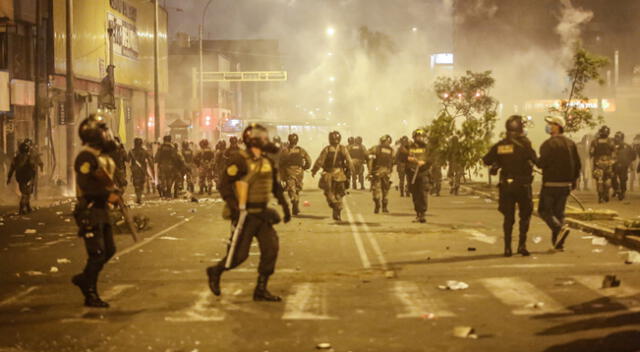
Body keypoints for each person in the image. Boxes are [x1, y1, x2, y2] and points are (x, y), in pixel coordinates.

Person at [206, 123, 291, 302]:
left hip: (262, 213)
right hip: (245, 215)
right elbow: (224, 184)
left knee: (271, 249)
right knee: (238, 256)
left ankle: (261, 289)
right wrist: (234, 206)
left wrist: (285, 206)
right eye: (261, 137)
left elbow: (275, 185)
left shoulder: (266, 161)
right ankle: (216, 271)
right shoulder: (239, 159)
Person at [71, 114, 121, 308]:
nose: (106, 134)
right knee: (97, 253)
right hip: (90, 210)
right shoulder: (86, 157)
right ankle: (89, 293)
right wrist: (106, 196)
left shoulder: (101, 156)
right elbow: (86, 185)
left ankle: (85, 278)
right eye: (102, 131)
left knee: (110, 250)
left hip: (102, 210)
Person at [482, 115, 537, 257]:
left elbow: (486, 159)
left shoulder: (501, 145)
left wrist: (498, 163)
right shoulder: (525, 144)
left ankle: (507, 248)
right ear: (520, 129)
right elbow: (535, 160)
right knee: (525, 216)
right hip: (523, 185)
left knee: (508, 218)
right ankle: (522, 245)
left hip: (507, 185)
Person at [537, 116, 581, 251]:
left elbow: (541, 163)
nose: (549, 126)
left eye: (551, 124)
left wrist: (533, 160)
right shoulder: (571, 143)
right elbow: (577, 164)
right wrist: (573, 181)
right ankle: (558, 244)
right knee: (559, 213)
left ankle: (560, 228)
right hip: (566, 185)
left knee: (544, 211)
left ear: (558, 126)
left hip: (550, 184)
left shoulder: (548, 144)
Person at [311, 131, 354, 221]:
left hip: (328, 175)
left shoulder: (327, 149)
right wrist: (352, 172)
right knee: (339, 194)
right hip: (340, 175)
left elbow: (320, 161)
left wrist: (314, 170)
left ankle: (335, 205)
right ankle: (337, 210)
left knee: (329, 193)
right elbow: (349, 162)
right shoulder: (343, 149)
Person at [280, 133, 312, 216]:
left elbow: (281, 163)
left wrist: (282, 175)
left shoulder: (285, 151)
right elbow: (309, 161)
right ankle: (295, 206)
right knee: (297, 189)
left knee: (292, 189)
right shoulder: (301, 150)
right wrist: (305, 167)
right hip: (299, 173)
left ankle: (294, 201)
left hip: (289, 172)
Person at [6, 140, 40, 214]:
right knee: (26, 193)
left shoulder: (16, 158)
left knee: (25, 192)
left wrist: (9, 178)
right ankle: (22, 207)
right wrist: (33, 176)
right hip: (28, 177)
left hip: (20, 178)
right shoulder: (29, 157)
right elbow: (33, 167)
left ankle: (27, 207)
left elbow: (12, 169)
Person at [407, 128, 432, 223]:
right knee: (415, 194)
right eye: (418, 136)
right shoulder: (410, 147)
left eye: (421, 136)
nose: (420, 138)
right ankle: (418, 213)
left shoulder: (427, 147)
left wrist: (424, 162)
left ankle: (423, 214)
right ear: (414, 137)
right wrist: (410, 161)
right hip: (412, 174)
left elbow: (431, 159)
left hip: (423, 173)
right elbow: (405, 159)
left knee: (423, 193)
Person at [368, 134, 395, 213]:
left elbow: (370, 159)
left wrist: (370, 172)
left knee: (379, 190)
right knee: (384, 191)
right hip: (384, 172)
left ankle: (380, 206)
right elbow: (393, 162)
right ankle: (382, 206)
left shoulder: (375, 148)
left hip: (379, 172)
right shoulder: (391, 150)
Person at [590, 126, 615, 203]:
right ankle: (605, 195)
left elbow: (591, 153)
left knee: (600, 180)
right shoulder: (611, 141)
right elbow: (614, 153)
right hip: (608, 163)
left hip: (598, 163)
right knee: (607, 180)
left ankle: (601, 197)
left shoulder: (595, 141)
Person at [611, 132, 636, 201]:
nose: (617, 139)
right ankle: (617, 189)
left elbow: (633, 156)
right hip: (614, 165)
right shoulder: (611, 146)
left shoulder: (627, 146)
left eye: (618, 137)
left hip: (623, 165)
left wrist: (629, 161)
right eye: (616, 137)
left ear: (622, 138)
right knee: (613, 177)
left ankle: (622, 192)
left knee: (623, 180)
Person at [128, 138, 154, 204]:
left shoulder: (131, 152)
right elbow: (150, 160)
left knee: (136, 184)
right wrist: (152, 168)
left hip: (134, 170)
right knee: (141, 183)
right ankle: (139, 196)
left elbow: (127, 160)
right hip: (142, 170)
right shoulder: (144, 151)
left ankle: (138, 196)